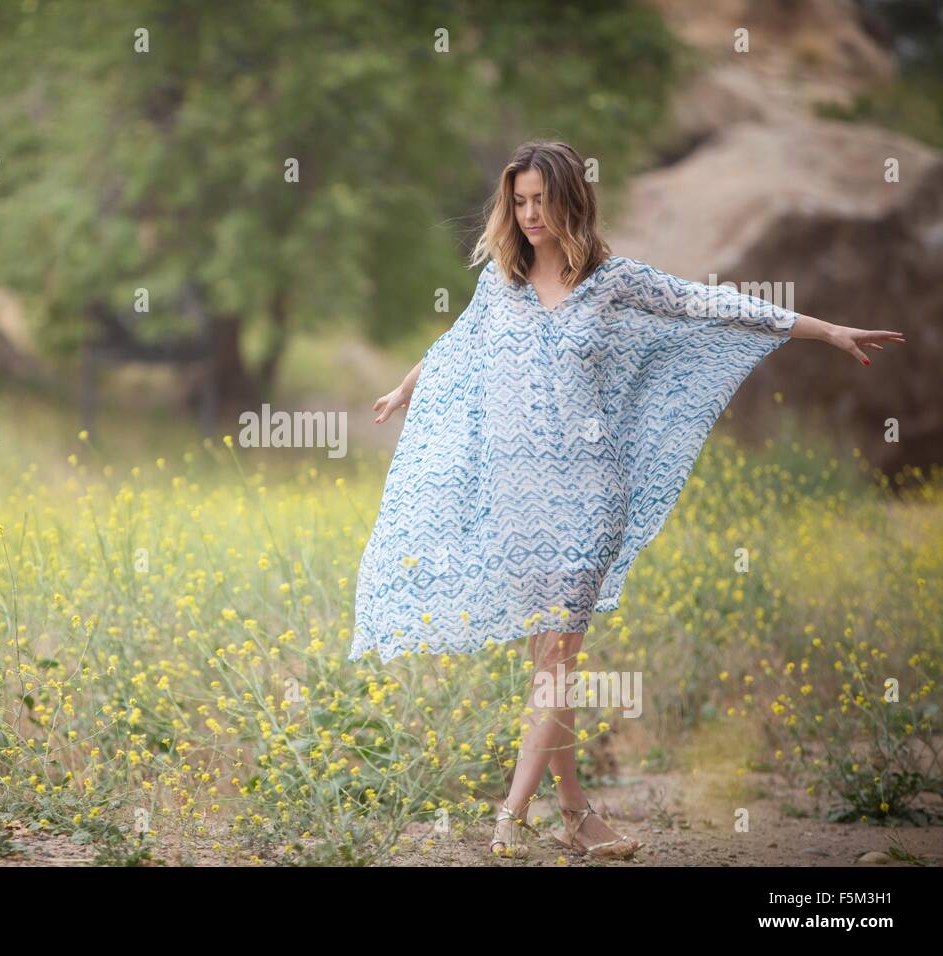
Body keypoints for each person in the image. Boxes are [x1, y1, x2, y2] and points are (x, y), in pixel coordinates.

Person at [349, 141, 905, 860]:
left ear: (570, 202)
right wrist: (404, 387)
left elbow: (713, 305)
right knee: (547, 665)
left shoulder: (612, 282)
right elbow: (458, 346)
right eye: (518, 203)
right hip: (520, 496)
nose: (528, 216)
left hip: (590, 493)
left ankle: (510, 819)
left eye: (541, 202)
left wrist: (825, 330)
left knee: (558, 658)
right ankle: (579, 819)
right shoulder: (503, 283)